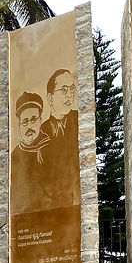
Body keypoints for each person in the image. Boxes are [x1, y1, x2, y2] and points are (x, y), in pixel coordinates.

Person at [37, 68, 81, 209]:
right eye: (63, 90)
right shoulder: (40, 133)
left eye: (72, 89)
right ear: (50, 98)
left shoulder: (80, 121)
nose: (70, 95)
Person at [10, 91, 50, 213]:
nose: (29, 127)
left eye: (33, 120)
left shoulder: (52, 148)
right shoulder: (14, 156)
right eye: (25, 121)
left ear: (40, 120)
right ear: (19, 125)